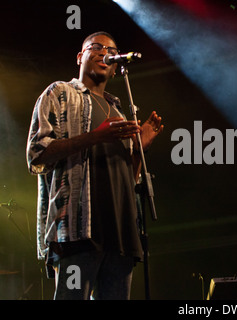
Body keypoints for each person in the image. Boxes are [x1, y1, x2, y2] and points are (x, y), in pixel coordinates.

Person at [26, 31, 163, 300]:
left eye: (111, 51)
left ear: (115, 68)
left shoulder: (119, 111)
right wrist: (96, 137)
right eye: (97, 47)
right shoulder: (60, 93)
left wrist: (138, 152)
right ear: (80, 56)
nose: (105, 53)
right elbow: (36, 154)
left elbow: (128, 181)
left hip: (122, 236)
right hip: (79, 233)